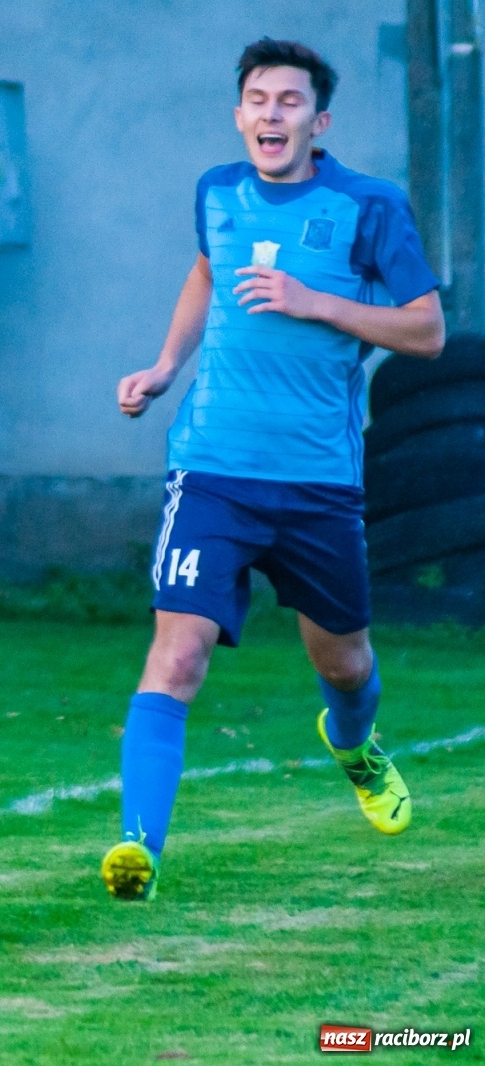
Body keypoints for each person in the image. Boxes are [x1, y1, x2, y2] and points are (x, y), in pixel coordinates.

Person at [103, 38, 445, 902]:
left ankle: (356, 744)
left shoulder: (369, 206)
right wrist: (165, 365)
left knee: (346, 665)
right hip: (211, 468)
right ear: (238, 114)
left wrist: (317, 302)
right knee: (176, 655)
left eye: (289, 101)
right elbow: (206, 273)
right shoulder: (217, 192)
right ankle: (138, 846)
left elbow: (427, 330)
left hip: (319, 481)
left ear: (318, 121)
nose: (271, 114)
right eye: (257, 98)